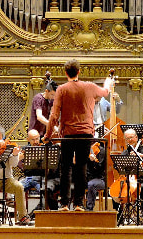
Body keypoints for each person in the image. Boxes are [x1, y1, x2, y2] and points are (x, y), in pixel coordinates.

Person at [44, 59, 114, 211]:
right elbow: (105, 92)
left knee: (66, 168)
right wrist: (108, 82)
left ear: (65, 73)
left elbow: (54, 115)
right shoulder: (89, 86)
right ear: (79, 71)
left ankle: (64, 204)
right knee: (81, 168)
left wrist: (47, 135)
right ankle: (79, 204)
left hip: (68, 134)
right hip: (85, 134)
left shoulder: (62, 89)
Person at [119, 128, 143, 216]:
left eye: (131, 137)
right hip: (129, 180)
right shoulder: (125, 152)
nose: (130, 140)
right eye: (127, 138)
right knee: (118, 190)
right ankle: (119, 215)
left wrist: (142, 156)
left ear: (136, 137)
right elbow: (117, 166)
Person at [85, 140, 107, 211]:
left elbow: (99, 168)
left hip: (99, 179)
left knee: (91, 185)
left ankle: (89, 209)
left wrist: (93, 161)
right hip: (86, 177)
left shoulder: (101, 150)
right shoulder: (84, 149)